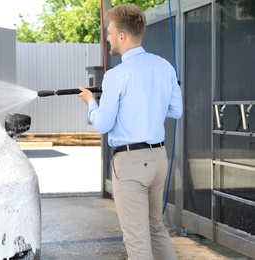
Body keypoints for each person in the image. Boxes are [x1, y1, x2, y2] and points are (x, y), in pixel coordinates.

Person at [78, 3, 183, 260]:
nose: (109, 38)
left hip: (131, 163)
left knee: (137, 239)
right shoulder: (164, 66)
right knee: (156, 228)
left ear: (123, 36)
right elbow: (176, 110)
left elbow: (102, 124)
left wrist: (91, 102)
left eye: (111, 33)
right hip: (159, 159)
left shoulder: (116, 76)